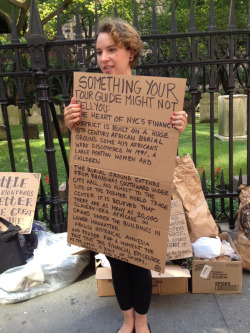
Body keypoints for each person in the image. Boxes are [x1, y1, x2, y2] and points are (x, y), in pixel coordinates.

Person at [64, 18, 187, 333]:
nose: (104, 58)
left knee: (139, 260)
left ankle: (142, 322)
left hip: (140, 192)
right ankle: (127, 319)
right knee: (117, 262)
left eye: (112, 50)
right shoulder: (88, 97)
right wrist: (71, 122)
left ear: (130, 52)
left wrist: (176, 125)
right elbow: (85, 144)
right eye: (99, 51)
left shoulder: (155, 95)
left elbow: (161, 144)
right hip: (106, 192)